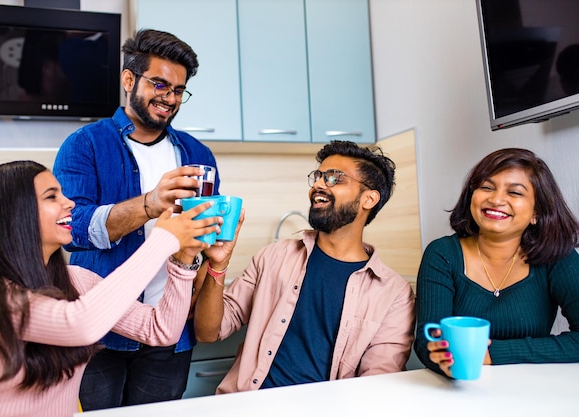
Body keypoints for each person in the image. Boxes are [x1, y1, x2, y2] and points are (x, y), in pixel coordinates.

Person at [0, 161, 223, 417]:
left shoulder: (75, 280)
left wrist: (183, 259)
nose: (69, 202)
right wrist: (163, 240)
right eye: (51, 196)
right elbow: (80, 323)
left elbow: (160, 330)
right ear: (14, 214)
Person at [53, 29, 220, 409]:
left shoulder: (198, 154)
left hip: (170, 331)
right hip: (99, 331)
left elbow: (201, 237)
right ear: (129, 79)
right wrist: (150, 203)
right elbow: (72, 229)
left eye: (178, 90)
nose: (170, 98)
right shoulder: (85, 144)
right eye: (160, 84)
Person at [193, 140, 416, 394]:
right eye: (318, 176)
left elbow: (378, 381)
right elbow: (208, 331)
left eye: (334, 178)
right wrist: (218, 264)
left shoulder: (394, 293)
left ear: (369, 199)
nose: (319, 184)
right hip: (250, 404)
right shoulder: (273, 256)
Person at [414, 148, 579, 378]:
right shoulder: (442, 254)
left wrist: (492, 353)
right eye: (487, 187)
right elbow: (426, 339)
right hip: (457, 390)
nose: (496, 199)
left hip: (534, 390)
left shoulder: (558, 256)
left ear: (537, 212)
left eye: (515, 192)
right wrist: (441, 359)